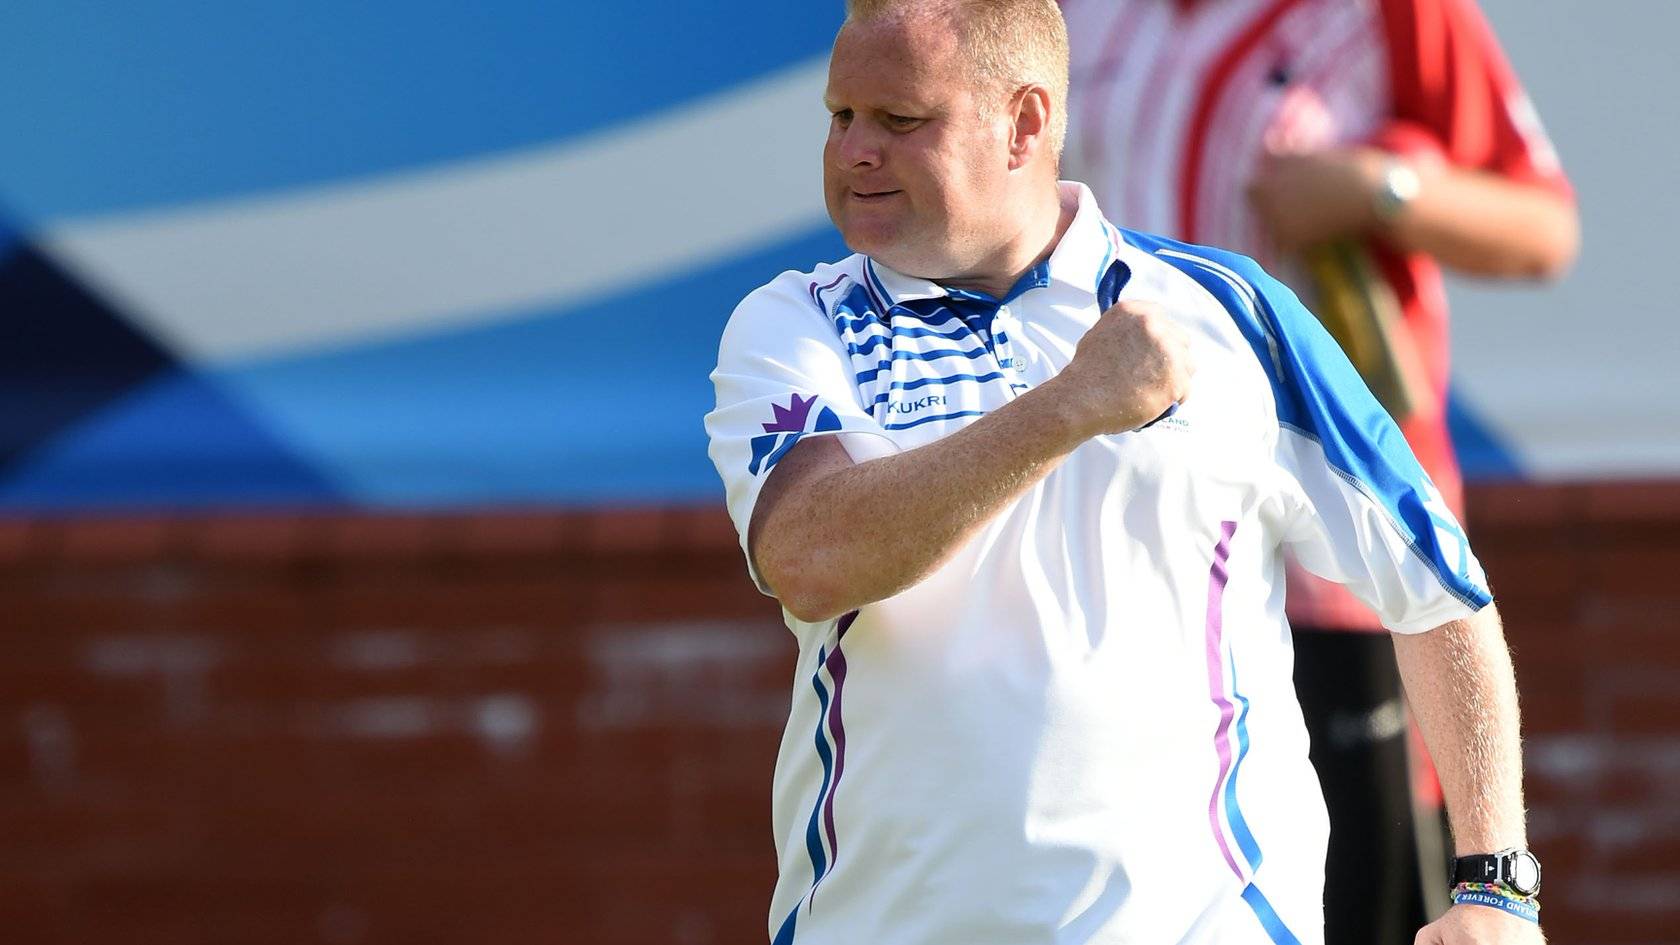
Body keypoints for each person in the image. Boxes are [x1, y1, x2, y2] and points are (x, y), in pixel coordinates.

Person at [705, 1, 1543, 942]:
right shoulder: (791, 324)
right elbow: (812, 557)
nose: (855, 149)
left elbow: (1437, 590)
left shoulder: (1232, 314)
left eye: (900, 121)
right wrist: (1068, 407)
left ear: (1024, 123)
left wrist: (1498, 888)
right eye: (839, 115)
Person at [1056, 2, 1577, 942]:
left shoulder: (1389, 13)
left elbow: (1543, 225)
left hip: (1332, 560)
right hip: (1125, 551)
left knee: (1364, 903)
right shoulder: (1069, 17)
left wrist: (1382, 189)